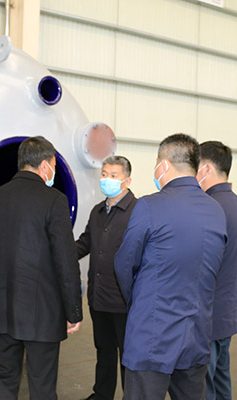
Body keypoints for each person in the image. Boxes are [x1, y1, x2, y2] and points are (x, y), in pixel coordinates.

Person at [114, 133, 227, 400]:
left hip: (152, 337)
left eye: (156, 163)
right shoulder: (215, 211)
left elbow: (124, 265)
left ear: (163, 165)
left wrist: (139, 303)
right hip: (196, 335)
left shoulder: (149, 206)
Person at [0, 136, 83, 400]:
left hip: (2, 309)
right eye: (53, 165)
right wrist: (74, 310)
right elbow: (65, 261)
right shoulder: (54, 200)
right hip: (42, 312)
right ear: (45, 165)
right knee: (42, 385)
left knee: (4, 379)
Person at [76, 156, 137, 400]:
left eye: (113, 175)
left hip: (124, 300)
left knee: (128, 355)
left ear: (127, 180)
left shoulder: (137, 211)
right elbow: (85, 243)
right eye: (104, 174)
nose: (107, 179)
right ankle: (102, 394)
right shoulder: (98, 211)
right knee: (104, 350)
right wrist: (59, 255)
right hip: (98, 297)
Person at [196, 141, 237, 400]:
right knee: (220, 381)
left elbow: (201, 265)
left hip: (208, 315)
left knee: (203, 386)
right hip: (226, 313)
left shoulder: (210, 207)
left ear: (206, 168)